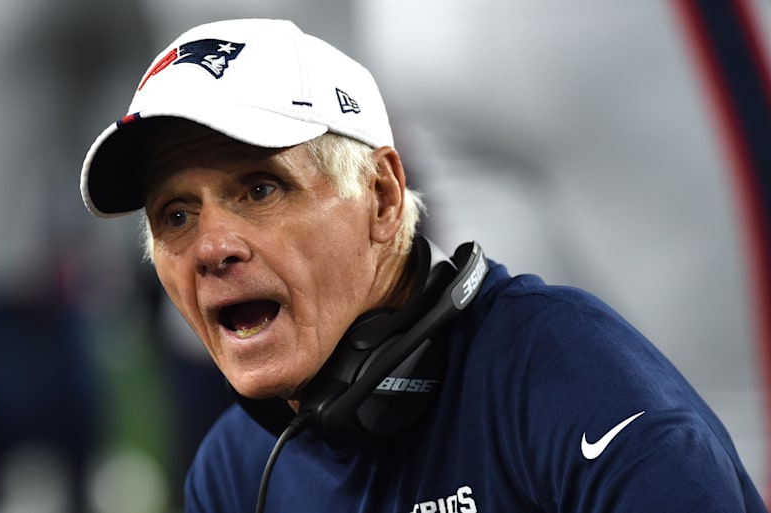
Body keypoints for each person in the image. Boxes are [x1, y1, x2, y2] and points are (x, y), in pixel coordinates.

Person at [79, 18, 767, 513]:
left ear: (380, 197)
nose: (210, 248)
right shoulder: (235, 469)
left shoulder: (573, 382)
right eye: (176, 215)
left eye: (260, 189)